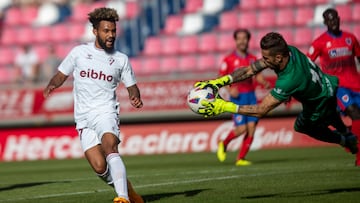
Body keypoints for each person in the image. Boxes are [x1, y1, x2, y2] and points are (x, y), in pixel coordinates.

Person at [195, 32, 358, 163]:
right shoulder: (289, 50)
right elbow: (250, 70)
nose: (263, 61)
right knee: (335, 118)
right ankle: (348, 134)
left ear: (278, 58)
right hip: (329, 86)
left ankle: (345, 141)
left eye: (266, 58)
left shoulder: (289, 80)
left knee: (302, 126)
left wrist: (223, 106)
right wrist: (217, 83)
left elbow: (260, 110)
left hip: (319, 103)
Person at [43, 8, 144, 203]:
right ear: (95, 32)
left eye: (113, 31)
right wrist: (51, 84)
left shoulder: (121, 59)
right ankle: (129, 191)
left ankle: (122, 198)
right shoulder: (79, 52)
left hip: (106, 111)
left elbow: (132, 87)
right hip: (83, 117)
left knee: (110, 146)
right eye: (106, 31)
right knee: (99, 167)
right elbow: (61, 74)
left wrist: (135, 97)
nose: (111, 35)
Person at [307, 8, 360, 166]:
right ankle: (359, 156)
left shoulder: (351, 38)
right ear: (325, 22)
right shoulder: (319, 43)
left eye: (335, 18)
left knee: (357, 119)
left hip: (356, 85)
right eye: (330, 20)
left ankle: (348, 134)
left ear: (339, 19)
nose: (333, 22)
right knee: (355, 113)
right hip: (338, 87)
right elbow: (308, 64)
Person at [217, 28, 270, 166]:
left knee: (252, 128)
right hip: (238, 97)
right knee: (242, 129)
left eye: (245, 38)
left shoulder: (252, 58)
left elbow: (257, 75)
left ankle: (240, 158)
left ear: (248, 40)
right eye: (239, 38)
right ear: (235, 41)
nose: (242, 41)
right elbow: (221, 78)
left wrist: (263, 82)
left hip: (251, 96)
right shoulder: (228, 60)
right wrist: (229, 89)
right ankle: (224, 143)